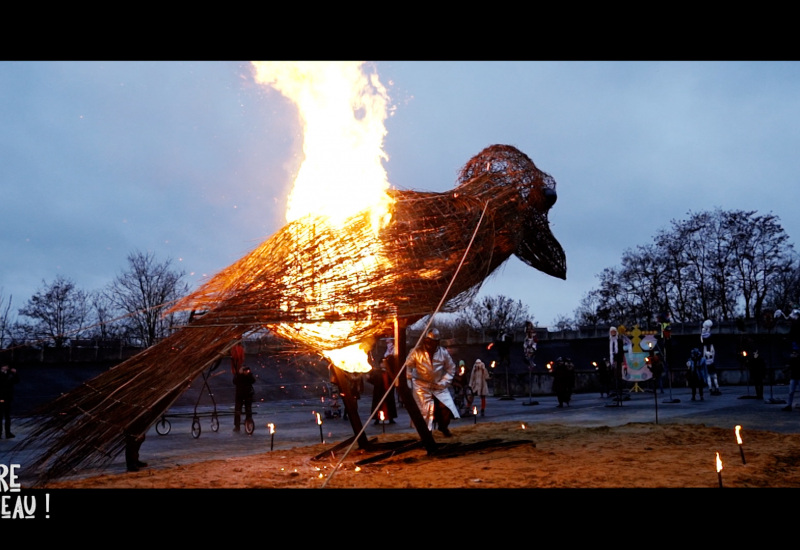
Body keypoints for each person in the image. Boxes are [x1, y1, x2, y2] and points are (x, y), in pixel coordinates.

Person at [403, 328, 460, 437]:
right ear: (425, 340)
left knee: (446, 407)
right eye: (429, 341)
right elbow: (407, 367)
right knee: (425, 410)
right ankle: (426, 433)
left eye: (434, 342)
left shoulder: (443, 352)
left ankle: (443, 427)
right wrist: (410, 377)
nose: (431, 345)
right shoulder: (416, 352)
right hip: (421, 386)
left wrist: (444, 382)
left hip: (438, 385)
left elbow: (451, 368)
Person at [368, 356, 397, 424]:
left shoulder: (390, 371)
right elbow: (374, 381)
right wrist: (369, 378)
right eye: (382, 363)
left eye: (384, 363)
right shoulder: (377, 372)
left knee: (389, 405)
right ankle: (377, 419)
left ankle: (391, 418)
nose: (383, 364)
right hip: (379, 391)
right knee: (378, 405)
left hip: (388, 390)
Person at [233, 365, 256, 432]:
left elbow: (253, 380)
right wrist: (240, 374)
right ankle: (237, 425)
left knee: (248, 410)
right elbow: (234, 382)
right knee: (238, 410)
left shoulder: (249, 376)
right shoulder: (238, 376)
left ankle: (248, 423)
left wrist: (248, 375)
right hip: (239, 395)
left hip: (248, 394)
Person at [701, 319, 720, 395]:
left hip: (707, 366)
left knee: (708, 377)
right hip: (712, 365)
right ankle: (717, 387)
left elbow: (704, 350)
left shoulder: (705, 354)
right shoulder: (712, 354)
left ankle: (710, 388)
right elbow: (712, 350)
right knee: (715, 377)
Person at [0, 364, 20, 438]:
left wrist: (15, 373)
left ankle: (8, 433)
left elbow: (16, 381)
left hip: (8, 397)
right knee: (0, 416)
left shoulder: (10, 374)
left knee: (7, 416)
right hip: (1, 397)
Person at [609, 326, 626, 403]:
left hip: (618, 361)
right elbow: (610, 352)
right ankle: (615, 391)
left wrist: (620, 360)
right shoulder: (610, 341)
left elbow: (621, 351)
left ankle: (620, 391)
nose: (613, 333)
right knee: (614, 376)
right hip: (612, 361)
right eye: (612, 332)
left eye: (614, 332)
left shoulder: (619, 341)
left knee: (619, 376)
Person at [782, 347, 800, 411]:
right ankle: (789, 405)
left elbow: (788, 367)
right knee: (791, 392)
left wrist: (785, 370)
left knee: (791, 392)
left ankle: (789, 405)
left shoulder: (795, 360)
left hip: (796, 377)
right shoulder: (792, 360)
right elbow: (788, 367)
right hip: (794, 377)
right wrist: (785, 370)